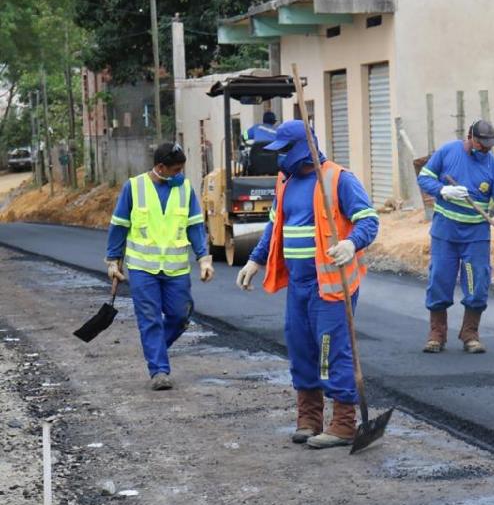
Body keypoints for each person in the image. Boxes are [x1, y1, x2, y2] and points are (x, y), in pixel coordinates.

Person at [235, 120, 379, 449]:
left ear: (302, 147)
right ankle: (309, 418)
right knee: (301, 347)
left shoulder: (339, 179)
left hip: (332, 283)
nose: (279, 158)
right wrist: (255, 260)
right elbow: (275, 225)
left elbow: (369, 219)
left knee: (330, 350)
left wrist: (351, 243)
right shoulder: (285, 182)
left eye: (285, 150)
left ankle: (343, 423)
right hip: (299, 284)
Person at [105, 142, 215, 391]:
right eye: (175, 170)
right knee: (150, 318)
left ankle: (154, 348)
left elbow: (195, 226)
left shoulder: (185, 189)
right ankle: (159, 370)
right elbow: (119, 225)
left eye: (181, 169)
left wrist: (203, 258)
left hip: (176, 269)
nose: (180, 174)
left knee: (180, 315)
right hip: (143, 270)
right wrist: (113, 260)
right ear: (160, 167)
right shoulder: (134, 188)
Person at [417, 120, 494, 354]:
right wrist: (443, 190)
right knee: (440, 280)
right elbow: (424, 178)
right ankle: (436, 334)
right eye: (482, 144)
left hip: (475, 236)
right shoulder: (447, 152)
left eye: (489, 145)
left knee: (476, 282)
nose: (485, 149)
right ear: (470, 137)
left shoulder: (493, 166)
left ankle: (470, 333)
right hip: (445, 233)